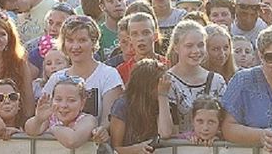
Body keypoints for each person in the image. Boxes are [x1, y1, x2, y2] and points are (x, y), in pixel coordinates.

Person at [41, 15, 123, 143]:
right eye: (70, 40)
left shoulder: (109, 75)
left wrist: (102, 130)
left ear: (93, 42)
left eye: (82, 40)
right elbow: (42, 116)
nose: (75, 46)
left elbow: (109, 117)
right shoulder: (56, 78)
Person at [167, 20, 226, 133]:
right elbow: (169, 130)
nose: (196, 51)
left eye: (200, 45)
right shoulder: (169, 81)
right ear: (176, 47)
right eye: (189, 46)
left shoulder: (217, 81)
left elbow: (225, 122)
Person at [110, 59, 174, 153]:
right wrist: (136, 149)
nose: (163, 86)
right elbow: (115, 149)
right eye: (159, 82)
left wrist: (162, 96)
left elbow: (165, 133)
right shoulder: (122, 105)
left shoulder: (162, 101)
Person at [25, 76, 97, 149]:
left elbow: (72, 141)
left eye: (71, 100)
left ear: (82, 103)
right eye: (58, 99)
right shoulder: (50, 118)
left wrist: (53, 129)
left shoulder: (88, 120)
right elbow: (30, 131)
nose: (63, 105)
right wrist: (38, 119)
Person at [116, 12, 168, 84]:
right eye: (135, 34)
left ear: (155, 36)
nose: (140, 38)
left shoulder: (168, 65)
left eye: (146, 33)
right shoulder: (121, 71)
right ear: (130, 39)